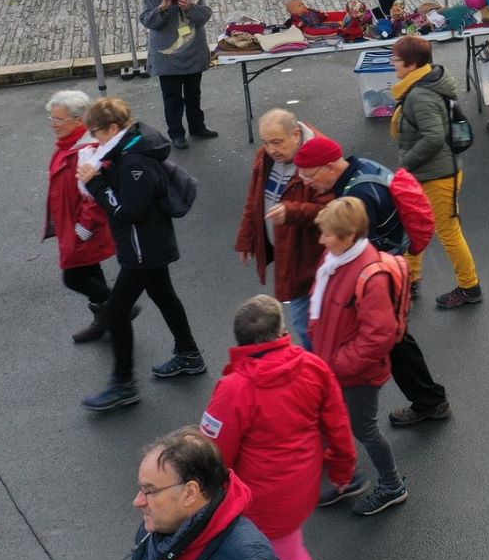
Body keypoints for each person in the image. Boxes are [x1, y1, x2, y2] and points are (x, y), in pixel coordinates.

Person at [199, 295, 394, 560]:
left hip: (260, 503)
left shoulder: (233, 388)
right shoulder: (312, 366)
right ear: (281, 332)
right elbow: (337, 424)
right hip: (298, 490)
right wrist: (342, 471)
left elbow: (213, 457)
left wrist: (201, 503)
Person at [38, 430, 294, 560]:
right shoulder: (153, 532)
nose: (137, 501)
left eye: (149, 491)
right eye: (140, 488)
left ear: (190, 493)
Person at [294, 138, 451, 429]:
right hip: (391, 270)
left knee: (395, 343)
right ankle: (430, 399)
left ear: (329, 167)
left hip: (379, 282)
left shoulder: (358, 196)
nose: (307, 183)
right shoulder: (361, 169)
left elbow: (362, 251)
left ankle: (430, 401)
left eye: (309, 175)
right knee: (398, 341)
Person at [77, 97, 205, 412]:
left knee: (117, 312)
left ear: (113, 127)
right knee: (164, 296)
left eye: (97, 133)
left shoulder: (133, 161)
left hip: (141, 248)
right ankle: (189, 355)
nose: (95, 140)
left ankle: (123, 384)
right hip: (151, 244)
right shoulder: (132, 147)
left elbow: (128, 211)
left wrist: (95, 184)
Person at [307, 197, 409, 517]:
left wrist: (337, 364)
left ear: (349, 236)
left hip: (357, 375)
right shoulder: (336, 260)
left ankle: (392, 485)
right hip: (334, 367)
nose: (321, 240)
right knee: (336, 422)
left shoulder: (370, 275)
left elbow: (378, 336)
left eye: (327, 234)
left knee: (364, 428)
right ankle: (346, 479)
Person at [388, 36, 480, 310]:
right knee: (413, 224)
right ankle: (410, 279)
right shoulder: (419, 86)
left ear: (411, 63)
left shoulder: (419, 94)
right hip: (426, 173)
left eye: (396, 59)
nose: (393, 63)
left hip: (439, 176)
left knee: (448, 232)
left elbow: (433, 137)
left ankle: (469, 286)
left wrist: (405, 164)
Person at [235, 110, 331, 348]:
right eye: (265, 142)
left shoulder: (320, 155)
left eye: (276, 142)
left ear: (296, 134)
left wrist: (292, 212)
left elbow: (331, 210)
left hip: (309, 258)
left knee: (305, 325)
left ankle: (321, 373)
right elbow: (254, 199)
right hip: (288, 253)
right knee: (307, 324)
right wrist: (247, 238)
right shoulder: (266, 157)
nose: (270, 149)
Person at [43, 90, 119, 344]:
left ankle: (117, 309)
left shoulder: (85, 151)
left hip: (82, 227)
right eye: (52, 119)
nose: (53, 125)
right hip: (73, 224)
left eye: (59, 120)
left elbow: (95, 197)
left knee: (73, 276)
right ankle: (105, 318)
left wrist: (83, 228)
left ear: (79, 120)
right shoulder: (69, 146)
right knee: (89, 270)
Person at [140, 0, 216, 150]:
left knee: (194, 93)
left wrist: (190, 7)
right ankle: (176, 133)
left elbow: (204, 16)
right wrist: (161, 9)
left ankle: (197, 126)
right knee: (172, 97)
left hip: (192, 50)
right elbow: (147, 20)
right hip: (167, 55)